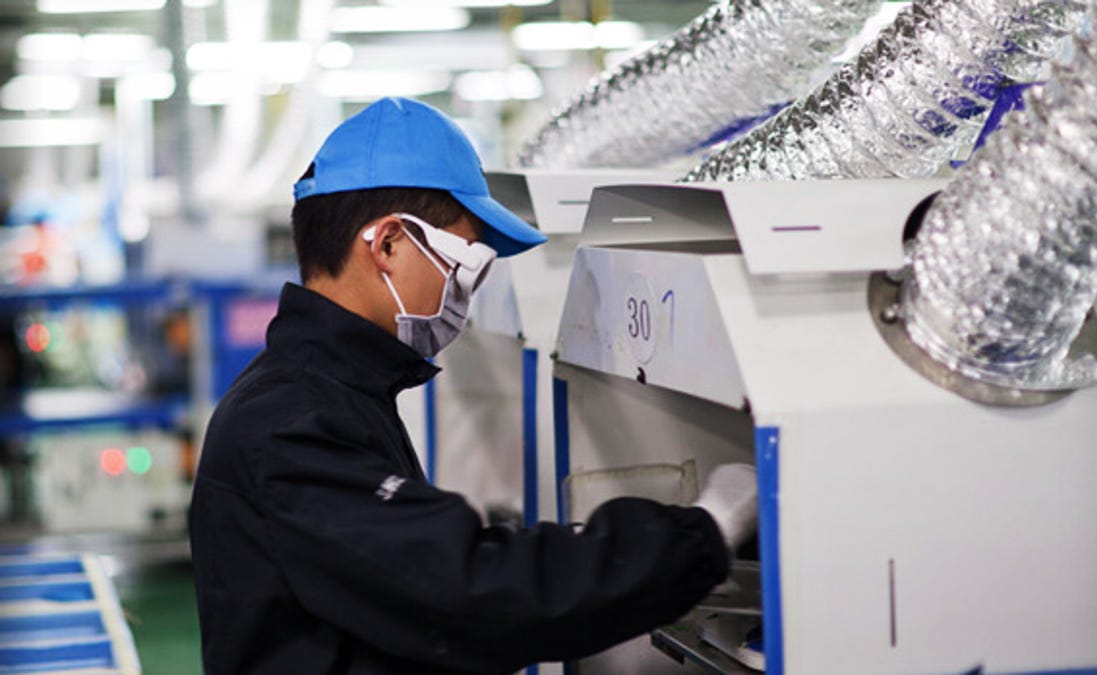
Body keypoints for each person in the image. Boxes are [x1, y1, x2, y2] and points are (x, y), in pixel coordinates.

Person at [189, 97, 758, 674]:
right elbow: (465, 591)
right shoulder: (290, 423)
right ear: (387, 243)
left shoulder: (332, 395)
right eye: (467, 265)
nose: (467, 293)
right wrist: (700, 534)